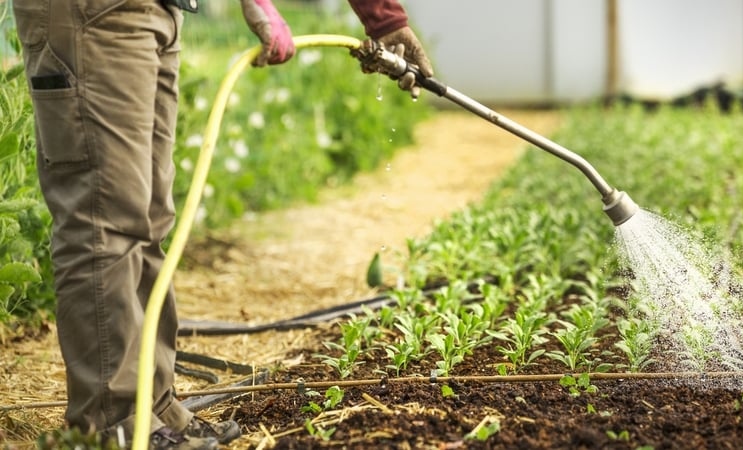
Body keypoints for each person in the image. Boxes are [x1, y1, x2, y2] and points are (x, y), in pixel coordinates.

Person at [11, 0, 433, 448]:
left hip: (152, 11)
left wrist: (385, 20)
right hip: (91, 13)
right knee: (105, 219)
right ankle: (112, 424)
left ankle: (152, 407)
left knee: (147, 219)